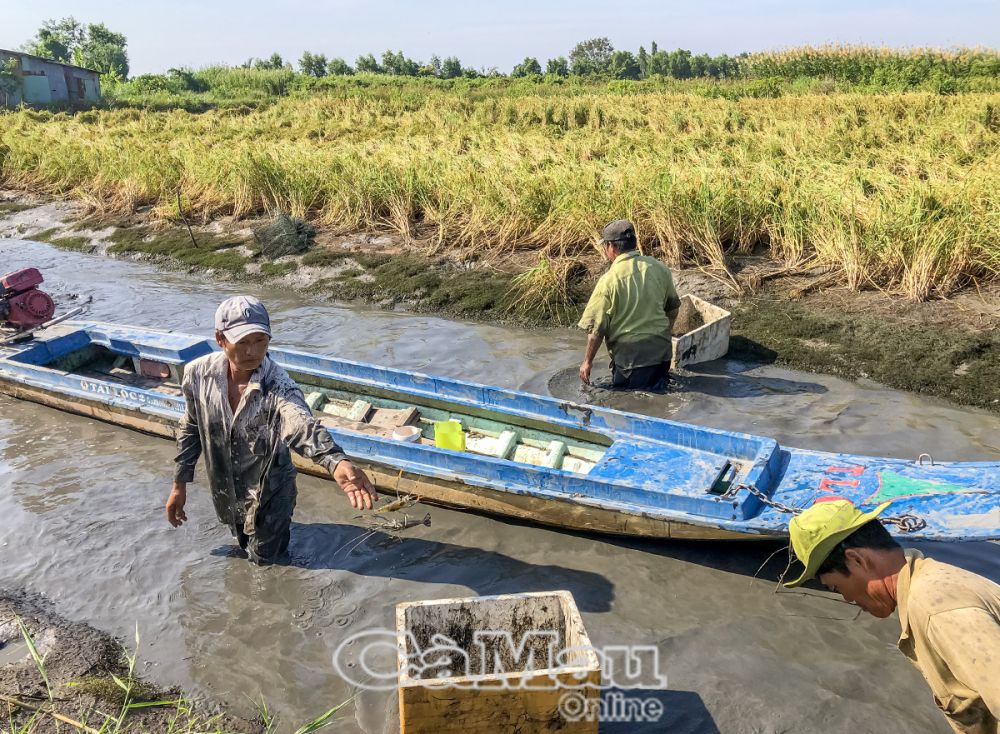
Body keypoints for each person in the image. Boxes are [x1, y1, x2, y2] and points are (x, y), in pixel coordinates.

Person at [164, 296, 377, 564]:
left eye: (260, 341)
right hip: (226, 489)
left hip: (271, 492)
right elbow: (191, 428)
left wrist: (334, 460)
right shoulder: (198, 375)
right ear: (220, 339)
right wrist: (179, 484)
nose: (253, 352)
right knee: (242, 548)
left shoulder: (277, 384)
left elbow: (300, 422)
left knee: (267, 562)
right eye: (242, 342)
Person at [785, 499, 1000, 734]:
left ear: (858, 560)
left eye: (836, 588)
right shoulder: (928, 582)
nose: (846, 599)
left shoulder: (935, 609)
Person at [578, 219, 682, 390]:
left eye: (605, 246)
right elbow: (673, 308)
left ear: (610, 246)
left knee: (629, 403)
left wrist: (587, 362)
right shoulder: (659, 268)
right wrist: (665, 332)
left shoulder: (609, 281)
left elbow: (596, 330)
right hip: (662, 355)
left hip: (631, 361)